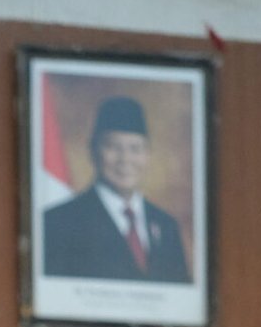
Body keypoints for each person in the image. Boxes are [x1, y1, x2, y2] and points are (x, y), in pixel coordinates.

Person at [41, 93, 190, 284]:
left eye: (135, 149)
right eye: (113, 147)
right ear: (93, 151)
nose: (125, 159)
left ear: (148, 155)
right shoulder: (59, 222)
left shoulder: (166, 226)